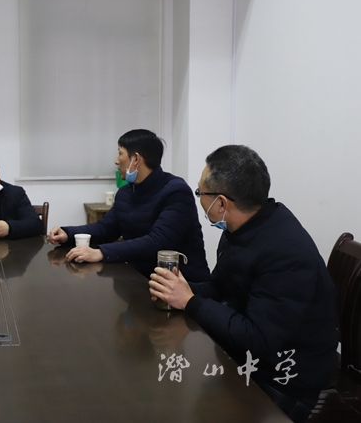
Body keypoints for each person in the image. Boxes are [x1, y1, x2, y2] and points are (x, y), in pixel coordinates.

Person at [148, 145, 336, 423]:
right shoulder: (242, 227)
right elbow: (220, 287)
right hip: (246, 358)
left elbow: (259, 340)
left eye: (200, 193)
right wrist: (179, 290)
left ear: (221, 203)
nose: (199, 199)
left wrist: (190, 301)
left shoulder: (285, 252)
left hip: (285, 380)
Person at [47, 129, 209, 281]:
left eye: (120, 153)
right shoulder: (126, 192)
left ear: (136, 159)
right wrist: (67, 234)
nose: (116, 161)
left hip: (183, 284)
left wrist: (101, 252)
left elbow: (158, 242)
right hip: (139, 279)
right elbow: (106, 228)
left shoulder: (176, 191)